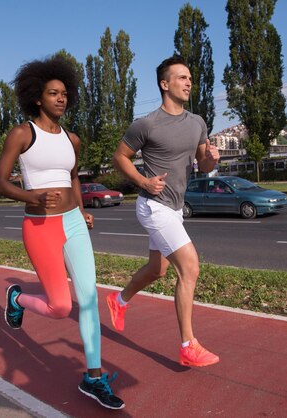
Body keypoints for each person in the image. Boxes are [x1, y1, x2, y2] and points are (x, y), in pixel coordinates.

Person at [0, 55, 124, 410]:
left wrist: (81, 211)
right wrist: (30, 195)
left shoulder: (73, 139)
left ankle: (94, 377)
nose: (61, 99)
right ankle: (16, 298)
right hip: (39, 226)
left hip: (73, 223)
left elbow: (72, 178)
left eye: (65, 93)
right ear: (38, 97)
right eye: (53, 93)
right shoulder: (22, 134)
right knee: (59, 306)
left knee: (88, 299)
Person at [108, 55, 221, 367]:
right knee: (190, 268)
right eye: (182, 77)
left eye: (189, 77)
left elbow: (204, 165)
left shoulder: (197, 122)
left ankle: (117, 300)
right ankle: (188, 345)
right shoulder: (146, 125)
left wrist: (213, 158)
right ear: (164, 84)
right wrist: (143, 180)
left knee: (157, 270)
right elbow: (120, 157)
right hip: (153, 206)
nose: (188, 82)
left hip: (175, 209)